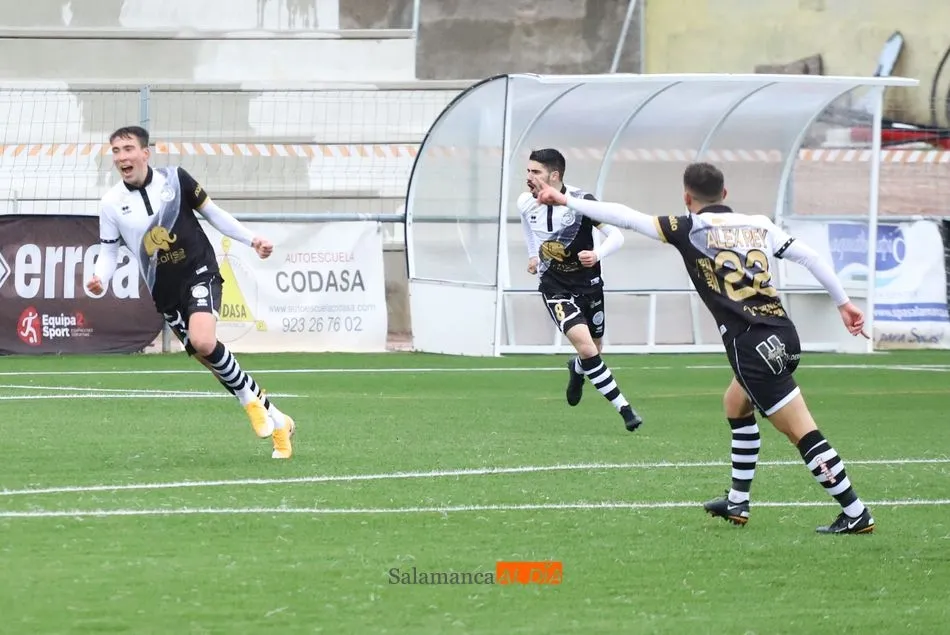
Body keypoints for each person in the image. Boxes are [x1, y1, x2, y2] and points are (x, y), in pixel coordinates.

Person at [530, 162, 874, 534]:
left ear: (686, 197)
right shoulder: (759, 224)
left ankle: (855, 512)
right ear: (725, 194)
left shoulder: (687, 227)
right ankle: (738, 502)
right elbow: (811, 257)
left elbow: (625, 217)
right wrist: (844, 304)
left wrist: (565, 200)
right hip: (783, 334)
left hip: (752, 345)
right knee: (735, 404)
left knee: (801, 432)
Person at [86, 125, 295, 459]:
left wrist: (251, 239)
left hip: (199, 270)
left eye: (128, 149)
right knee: (209, 359)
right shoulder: (111, 203)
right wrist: (99, 277)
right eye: (115, 151)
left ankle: (248, 401)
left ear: (145, 153)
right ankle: (278, 419)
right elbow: (109, 252)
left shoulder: (176, 179)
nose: (121, 157)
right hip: (164, 289)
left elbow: (214, 214)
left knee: (203, 342)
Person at [518, 148, 642, 431]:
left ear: (554, 175)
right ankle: (625, 410)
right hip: (554, 287)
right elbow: (527, 225)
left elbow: (617, 236)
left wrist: (597, 255)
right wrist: (533, 255)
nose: (529, 177)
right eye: (528, 171)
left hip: (589, 285)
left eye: (536, 172)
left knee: (594, 349)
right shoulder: (525, 202)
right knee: (587, 347)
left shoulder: (581, 202)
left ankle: (576, 369)